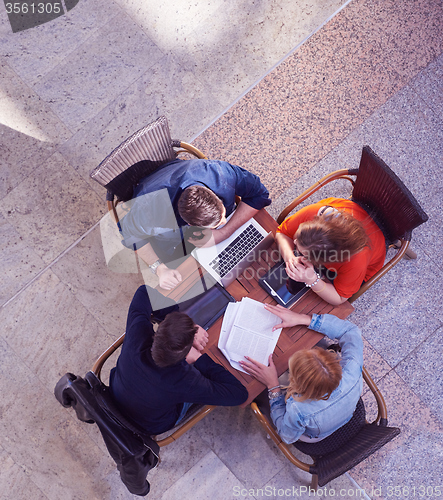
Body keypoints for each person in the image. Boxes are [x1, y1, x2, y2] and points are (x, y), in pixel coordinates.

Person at [109, 285, 248, 435]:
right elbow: (239, 394)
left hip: (115, 398)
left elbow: (144, 291)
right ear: (185, 352)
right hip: (148, 425)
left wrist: (182, 330)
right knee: (199, 389)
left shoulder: (138, 334)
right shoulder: (185, 380)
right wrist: (199, 358)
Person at [118, 158, 271, 290]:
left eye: (223, 214)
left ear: (214, 195)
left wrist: (225, 232)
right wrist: (159, 269)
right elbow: (128, 233)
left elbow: (260, 194)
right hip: (172, 242)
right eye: (215, 225)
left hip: (179, 176)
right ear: (190, 224)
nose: (224, 222)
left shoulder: (220, 173)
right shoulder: (149, 210)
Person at [239, 303, 363, 444]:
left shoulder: (299, 410)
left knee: (254, 385)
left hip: (313, 435)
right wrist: (304, 319)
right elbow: (351, 331)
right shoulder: (352, 366)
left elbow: (287, 436)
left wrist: (273, 386)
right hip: (344, 412)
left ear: (297, 383)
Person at [276, 197, 386, 305]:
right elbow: (282, 233)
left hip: (367, 262)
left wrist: (312, 280)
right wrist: (290, 258)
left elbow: (339, 298)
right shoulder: (315, 211)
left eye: (302, 253)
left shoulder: (356, 261)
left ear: (324, 261)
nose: (294, 242)